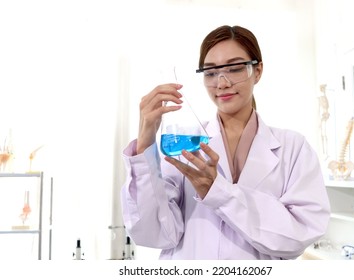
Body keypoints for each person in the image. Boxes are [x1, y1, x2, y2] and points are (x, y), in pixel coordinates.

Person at [121, 25, 330, 260]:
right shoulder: (183, 146)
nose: (221, 83)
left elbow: (298, 236)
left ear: (258, 71)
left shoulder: (293, 148)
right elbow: (154, 234)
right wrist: (144, 144)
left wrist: (218, 192)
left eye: (235, 69)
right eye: (210, 73)